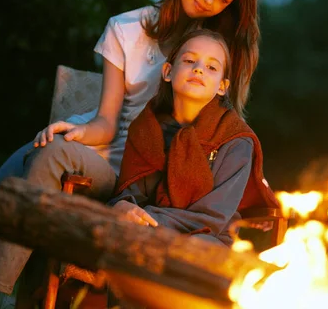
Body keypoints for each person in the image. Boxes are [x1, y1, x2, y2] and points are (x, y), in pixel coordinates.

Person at [0, 0, 261, 309]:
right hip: (102, 151)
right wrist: (78, 130)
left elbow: (219, 133)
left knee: (37, 161)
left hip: (139, 175)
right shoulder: (126, 28)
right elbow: (106, 121)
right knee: (35, 158)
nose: (209, 1)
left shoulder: (214, 50)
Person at [110, 29, 278, 246]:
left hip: (207, 238)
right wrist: (121, 205)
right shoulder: (146, 129)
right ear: (168, 72)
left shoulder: (236, 140)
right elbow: (128, 194)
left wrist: (153, 222)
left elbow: (213, 216)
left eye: (211, 67)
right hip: (144, 232)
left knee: (198, 247)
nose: (198, 69)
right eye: (190, 60)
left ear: (222, 87)